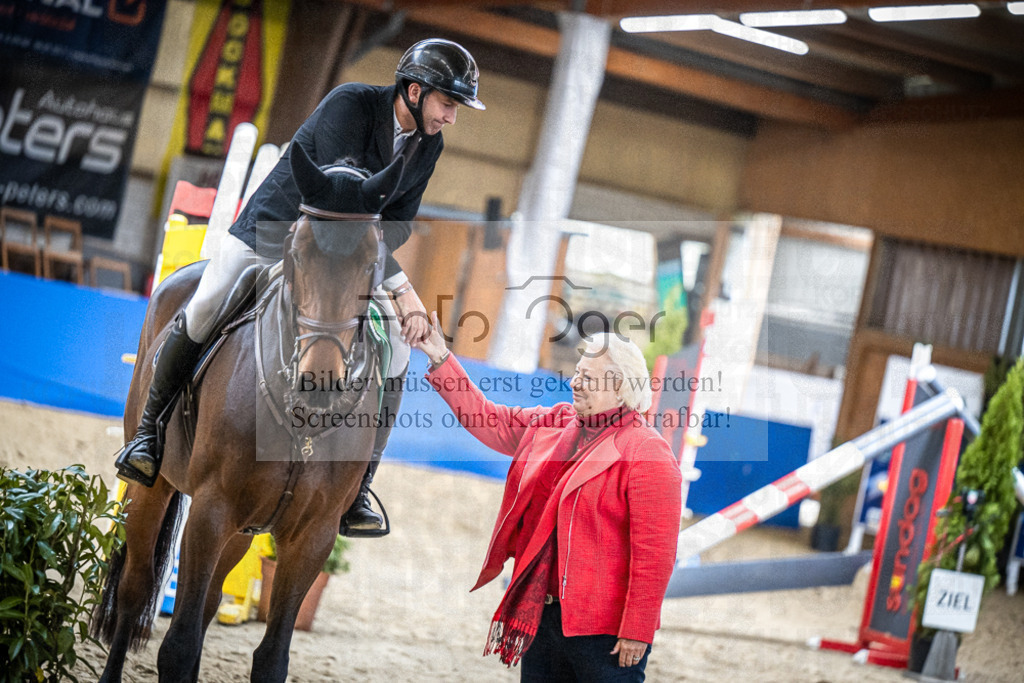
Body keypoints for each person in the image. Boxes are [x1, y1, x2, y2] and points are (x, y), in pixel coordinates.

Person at [116, 39, 485, 536]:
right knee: (206, 301)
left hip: (348, 257)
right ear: (415, 91)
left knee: (398, 343)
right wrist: (405, 288)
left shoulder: (428, 144)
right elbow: (336, 203)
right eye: (448, 104)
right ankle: (148, 436)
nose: (452, 118)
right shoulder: (350, 105)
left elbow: (395, 224)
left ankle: (359, 488)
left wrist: (395, 287)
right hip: (276, 231)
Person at [416, 313, 682, 681]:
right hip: (541, 615)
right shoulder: (554, 422)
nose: (576, 382)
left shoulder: (648, 453)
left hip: (605, 634)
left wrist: (638, 629)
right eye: (578, 372)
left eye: (588, 378)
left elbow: (655, 556)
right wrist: (440, 357)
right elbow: (487, 419)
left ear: (620, 387)